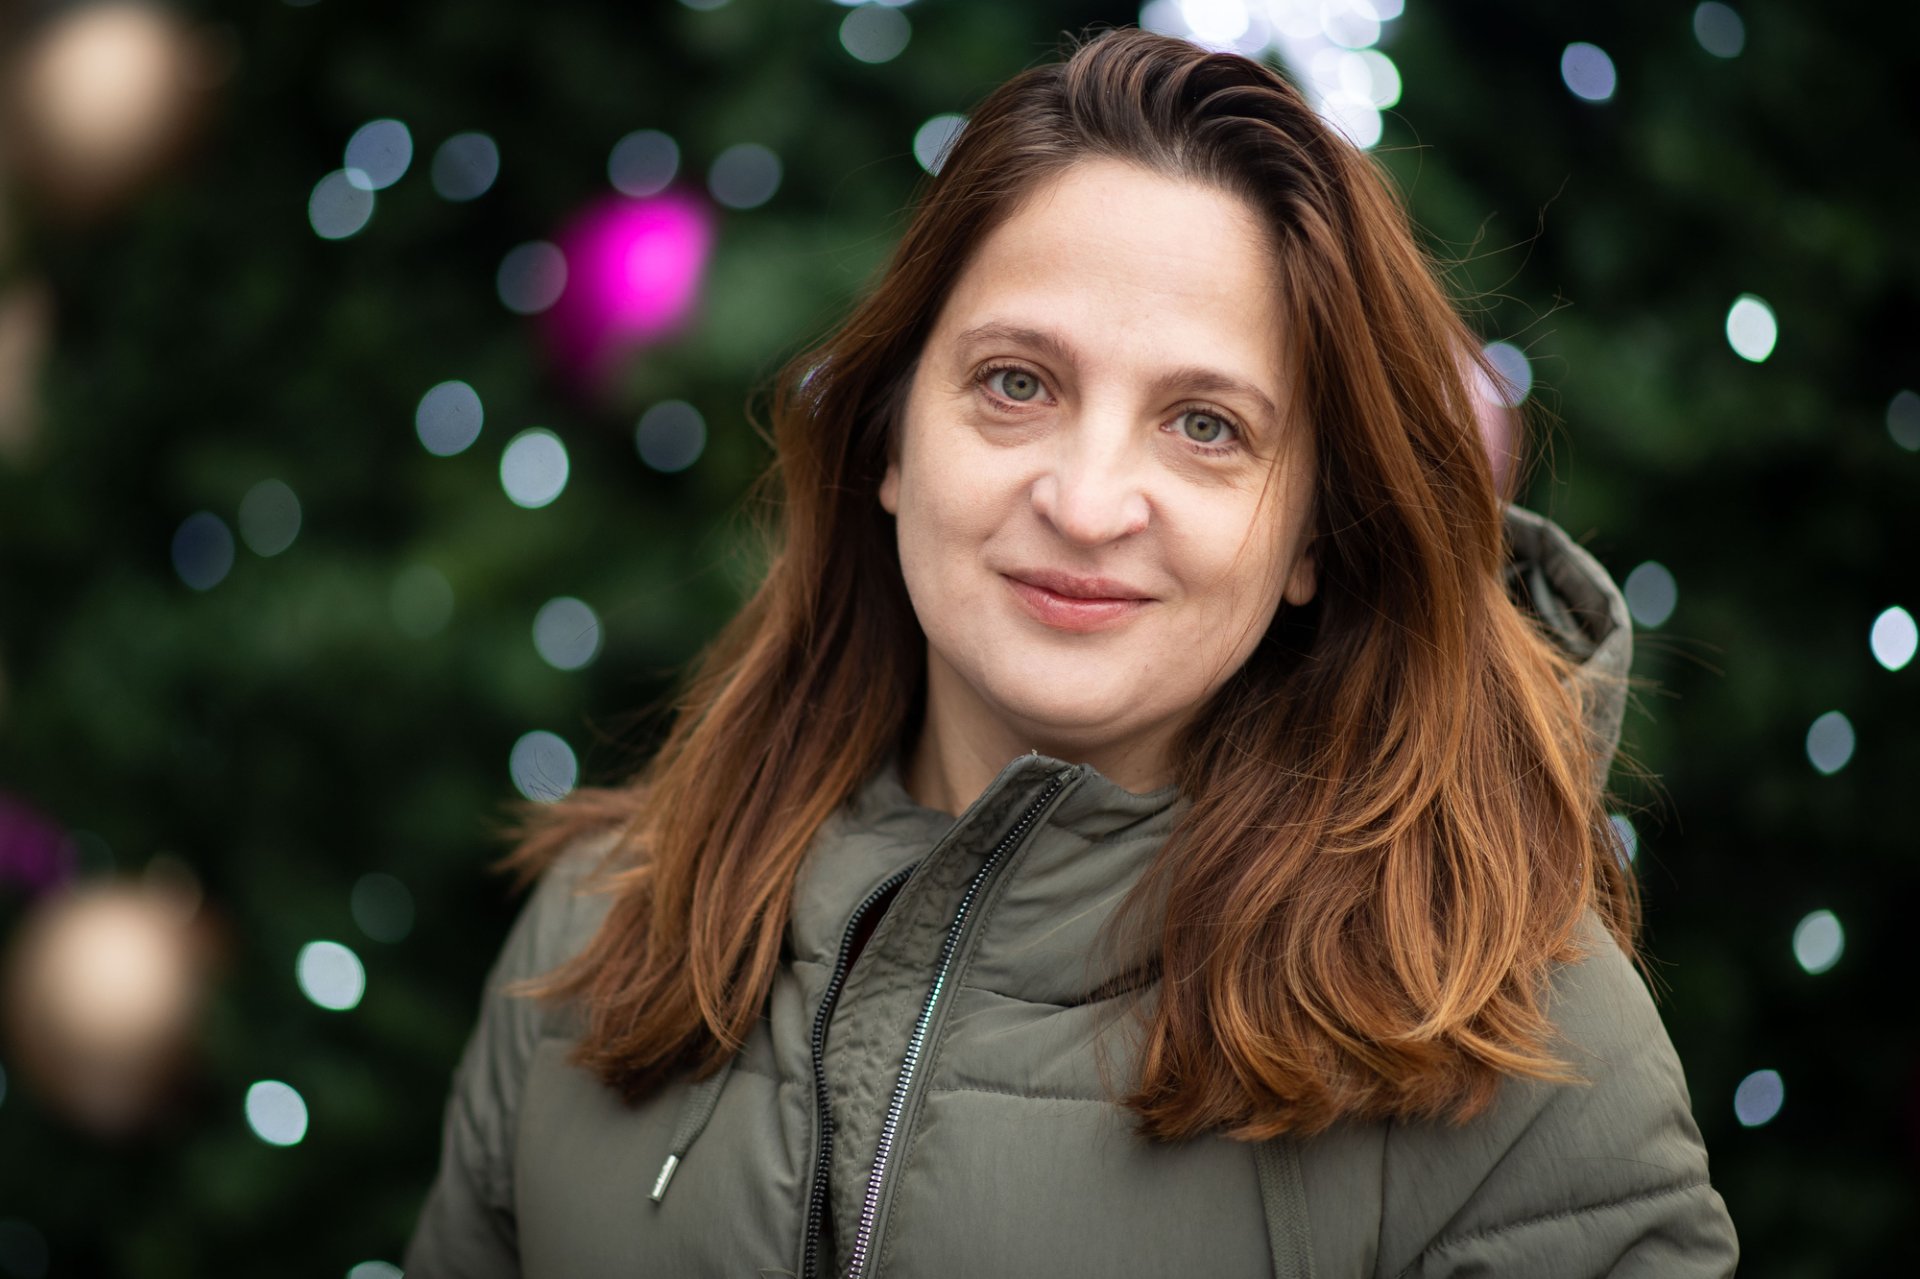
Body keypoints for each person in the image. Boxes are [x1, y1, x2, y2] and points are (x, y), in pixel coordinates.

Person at [403, 27, 1739, 1278]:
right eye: (1016, 384)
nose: (1089, 503)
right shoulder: (600, 927)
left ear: (1311, 537)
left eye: (1206, 426)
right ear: (889, 438)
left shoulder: (1524, 1056)